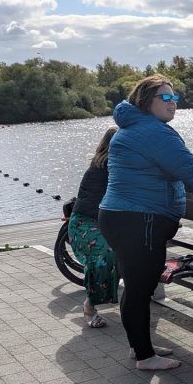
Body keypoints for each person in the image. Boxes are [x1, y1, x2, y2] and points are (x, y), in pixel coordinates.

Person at [99, 75, 193, 371]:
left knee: (136, 286)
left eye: (174, 97)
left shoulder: (133, 128)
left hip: (125, 218)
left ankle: (140, 347)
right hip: (140, 220)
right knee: (140, 288)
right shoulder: (153, 132)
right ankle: (145, 356)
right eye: (165, 97)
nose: (172, 103)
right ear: (145, 101)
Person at [69, 127, 121, 328]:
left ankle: (135, 297)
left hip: (102, 222)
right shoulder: (106, 165)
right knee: (106, 254)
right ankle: (89, 306)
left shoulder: (112, 164)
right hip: (85, 223)